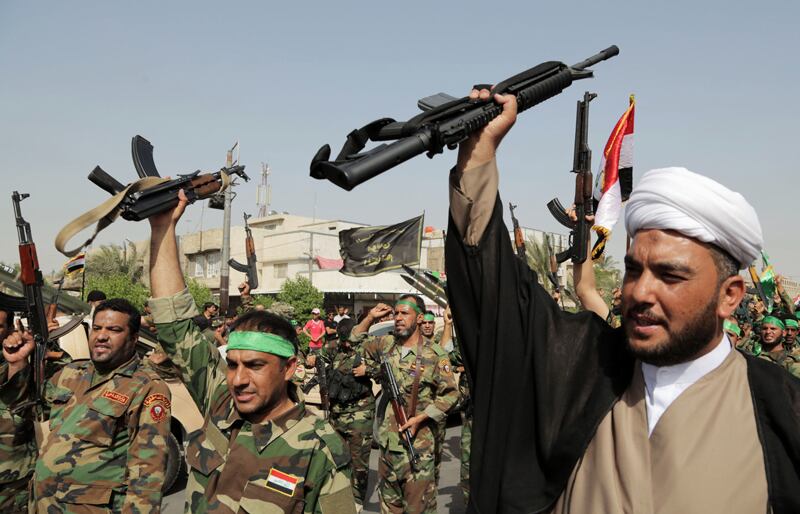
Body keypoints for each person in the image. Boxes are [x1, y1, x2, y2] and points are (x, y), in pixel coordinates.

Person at [445, 87, 800, 513]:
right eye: (634, 270)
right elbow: (498, 299)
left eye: (670, 275)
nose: (640, 292)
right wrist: (479, 155)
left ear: (730, 296)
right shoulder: (586, 365)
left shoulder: (782, 408)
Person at [147, 190, 356, 514]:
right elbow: (174, 324)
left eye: (255, 365)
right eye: (232, 365)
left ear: (289, 368)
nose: (238, 379)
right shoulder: (220, 401)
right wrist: (163, 228)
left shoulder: (319, 448)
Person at [1, 298, 171, 512]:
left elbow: (148, 472)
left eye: (114, 330)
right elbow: (28, 409)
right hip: (45, 504)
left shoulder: (146, 386)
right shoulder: (72, 373)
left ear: (134, 338)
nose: (101, 336)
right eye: (97, 328)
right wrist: (17, 365)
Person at [352, 295, 458, 514]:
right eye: (396, 313)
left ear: (419, 318)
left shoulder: (434, 354)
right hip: (388, 447)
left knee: (419, 509)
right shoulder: (386, 344)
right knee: (390, 508)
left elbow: (450, 395)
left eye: (404, 313)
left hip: (417, 449)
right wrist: (370, 317)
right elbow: (354, 340)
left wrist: (421, 418)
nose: (398, 318)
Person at [323, 318, 375, 506]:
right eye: (342, 339)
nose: (345, 344)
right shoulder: (334, 348)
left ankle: (357, 501)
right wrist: (311, 359)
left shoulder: (367, 348)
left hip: (360, 413)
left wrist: (368, 370)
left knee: (358, 461)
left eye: (348, 340)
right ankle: (339, 498)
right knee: (336, 458)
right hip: (336, 414)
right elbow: (316, 356)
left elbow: (387, 369)